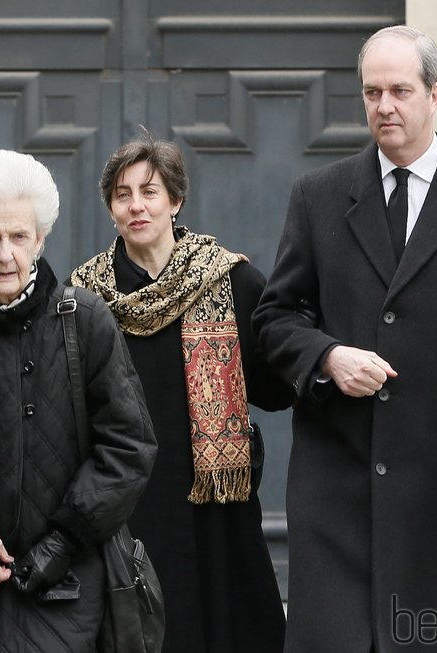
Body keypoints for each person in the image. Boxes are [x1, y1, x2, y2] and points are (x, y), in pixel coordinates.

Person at [252, 26, 437, 653]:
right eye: (372, 92)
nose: (384, 106)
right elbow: (275, 317)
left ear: (435, 94)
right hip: (334, 489)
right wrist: (327, 355)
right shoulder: (319, 196)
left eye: (400, 91)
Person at [0, 149, 157, 652]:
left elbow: (129, 447)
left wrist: (62, 541)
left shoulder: (86, 319)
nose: (5, 253)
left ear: (41, 239)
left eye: (18, 236)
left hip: (65, 590)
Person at [70, 132, 294, 653]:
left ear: (176, 200)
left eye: (150, 191)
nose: (136, 205)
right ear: (110, 208)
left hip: (215, 508)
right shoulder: (84, 299)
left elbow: (277, 388)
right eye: (122, 194)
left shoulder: (231, 281)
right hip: (131, 507)